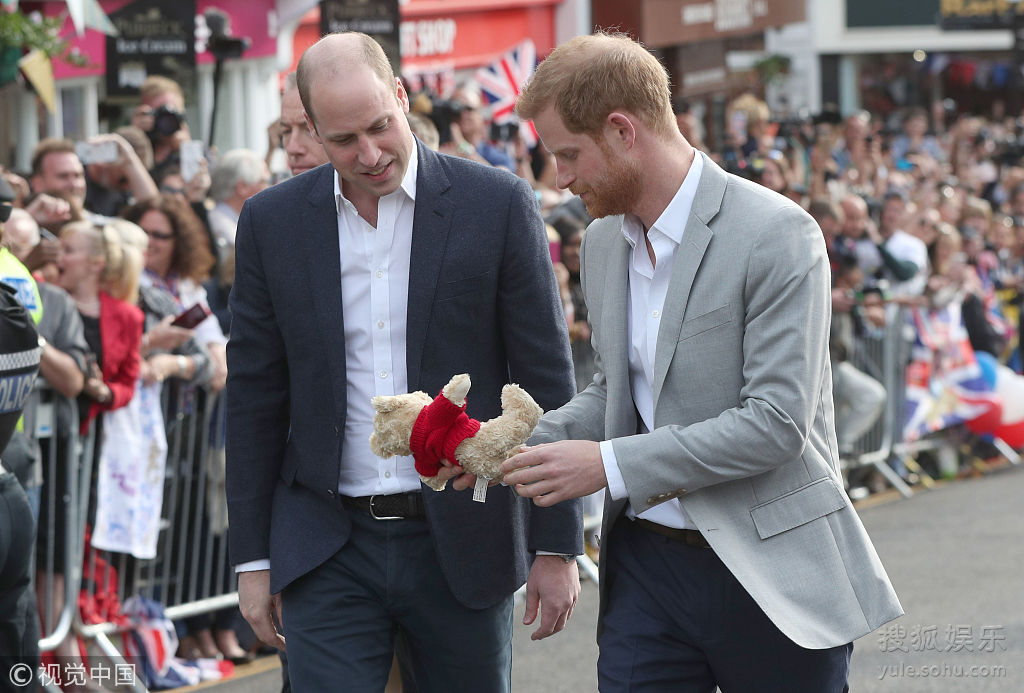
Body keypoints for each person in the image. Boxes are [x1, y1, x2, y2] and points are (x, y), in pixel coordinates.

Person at [503, 32, 903, 692]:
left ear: (623, 130)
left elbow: (775, 424)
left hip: (773, 574)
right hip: (648, 575)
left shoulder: (778, 233)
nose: (561, 178)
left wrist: (606, 463)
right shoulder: (602, 243)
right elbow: (615, 392)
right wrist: (509, 445)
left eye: (568, 154)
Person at [226, 32, 580, 693]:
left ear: (400, 95)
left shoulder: (496, 203)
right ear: (304, 129)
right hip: (327, 544)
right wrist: (252, 558)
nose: (369, 154)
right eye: (342, 140)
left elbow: (544, 379)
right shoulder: (272, 223)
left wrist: (556, 543)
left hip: (462, 540)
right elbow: (253, 398)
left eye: (380, 127)